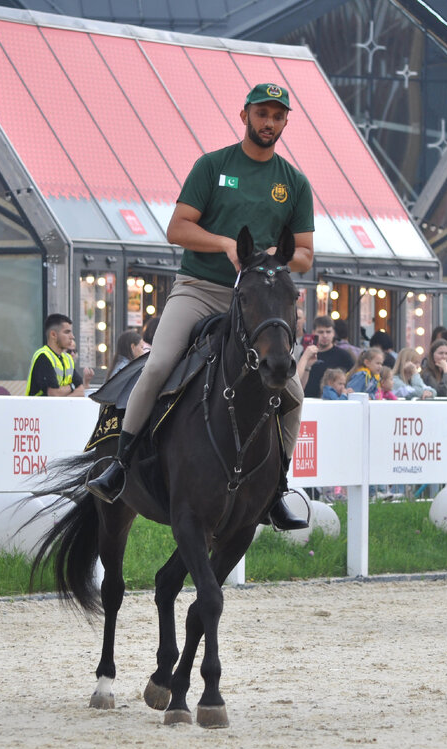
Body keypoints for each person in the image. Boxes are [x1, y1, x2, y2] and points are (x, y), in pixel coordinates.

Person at [87, 82, 314, 533]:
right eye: (261, 113)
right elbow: (177, 228)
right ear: (245, 114)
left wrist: (272, 256)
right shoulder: (213, 166)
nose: (268, 122)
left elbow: (305, 254)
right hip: (200, 288)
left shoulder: (294, 183)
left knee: (293, 395)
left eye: (277, 115)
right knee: (157, 366)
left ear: (286, 121)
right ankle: (120, 464)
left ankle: (276, 489)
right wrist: (226, 244)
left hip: (256, 301)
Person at [29, 314, 92, 397]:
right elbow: (54, 393)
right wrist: (73, 386)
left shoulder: (67, 359)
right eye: (67, 332)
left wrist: (65, 396)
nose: (72, 336)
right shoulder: (43, 356)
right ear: (53, 335)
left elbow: (81, 390)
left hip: (59, 408)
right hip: (39, 409)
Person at [300, 314, 355, 398]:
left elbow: (353, 380)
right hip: (309, 402)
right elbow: (298, 383)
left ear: (334, 333)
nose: (325, 335)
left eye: (328, 332)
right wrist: (307, 365)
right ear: (314, 332)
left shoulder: (344, 356)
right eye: (321, 332)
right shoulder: (307, 354)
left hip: (334, 404)